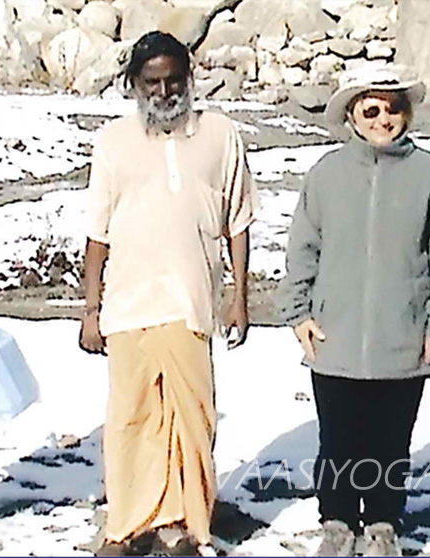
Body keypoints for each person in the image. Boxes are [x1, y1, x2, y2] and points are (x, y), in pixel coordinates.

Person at [79, 31, 259, 557]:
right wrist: (90, 309)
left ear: (189, 79)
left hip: (191, 300)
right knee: (132, 418)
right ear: (134, 84)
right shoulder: (113, 141)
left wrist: (240, 297)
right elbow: (97, 232)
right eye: (151, 82)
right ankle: (128, 523)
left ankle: (186, 522)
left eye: (172, 80)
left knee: (193, 417)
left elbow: (239, 221)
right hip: (129, 302)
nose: (163, 92)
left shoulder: (220, 135)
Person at [279, 65, 430, 557]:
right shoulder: (326, 174)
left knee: (389, 441)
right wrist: (298, 313)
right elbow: (303, 248)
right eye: (372, 109)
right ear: (352, 115)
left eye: (394, 108)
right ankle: (338, 523)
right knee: (338, 439)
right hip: (335, 336)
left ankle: (383, 523)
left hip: (404, 338)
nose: (384, 119)